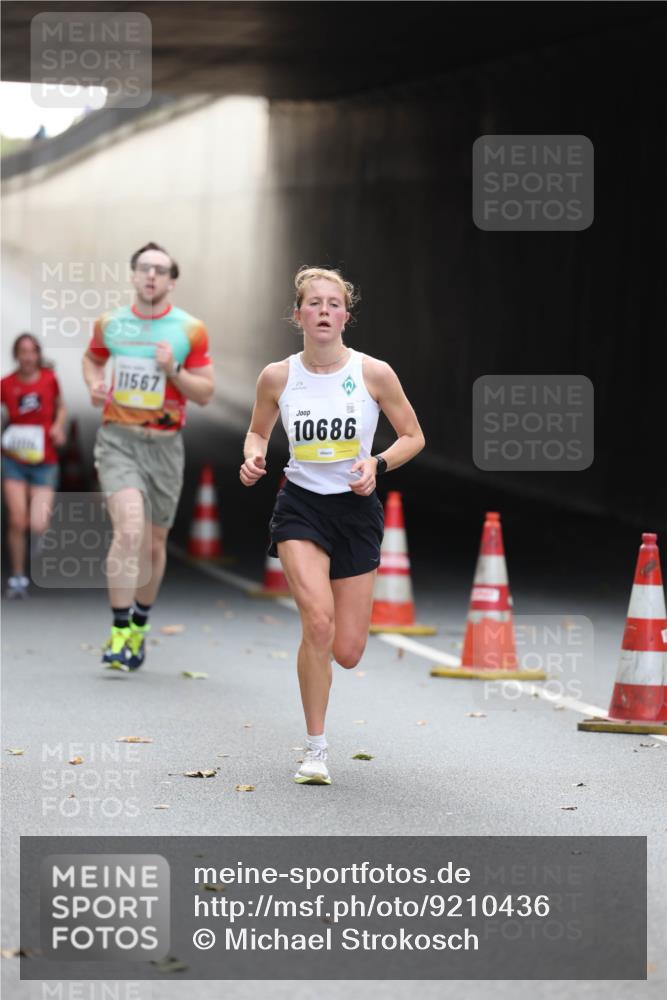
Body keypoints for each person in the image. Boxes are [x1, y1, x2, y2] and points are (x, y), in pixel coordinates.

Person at [240, 266, 425, 785]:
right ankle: (315, 748)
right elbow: (257, 432)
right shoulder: (278, 376)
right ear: (297, 314)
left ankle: (319, 730)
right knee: (317, 624)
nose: (323, 311)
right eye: (313, 303)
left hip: (355, 509)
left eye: (333, 303)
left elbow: (413, 436)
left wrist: (378, 464)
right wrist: (254, 457)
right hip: (300, 505)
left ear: (346, 315)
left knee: (347, 650)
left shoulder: (374, 373)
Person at [82, 242, 214, 670]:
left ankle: (139, 625)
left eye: (160, 270)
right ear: (134, 275)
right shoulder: (111, 323)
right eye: (144, 268)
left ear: (172, 280)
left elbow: (206, 393)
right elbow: (92, 358)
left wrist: (174, 370)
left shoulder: (190, 329)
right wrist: (95, 383)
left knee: (155, 544)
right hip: (119, 440)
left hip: (165, 446)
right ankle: (119, 630)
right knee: (130, 530)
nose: (152, 276)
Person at [2, 333, 67, 599]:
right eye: (22, 352)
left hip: (44, 461)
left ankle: (37, 542)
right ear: (16, 355)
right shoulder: (6, 384)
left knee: (38, 523)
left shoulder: (50, 380)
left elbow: (61, 407)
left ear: (38, 355)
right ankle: (18, 576)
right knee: (17, 520)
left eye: (32, 352)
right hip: (14, 459)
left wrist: (58, 426)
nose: (27, 357)